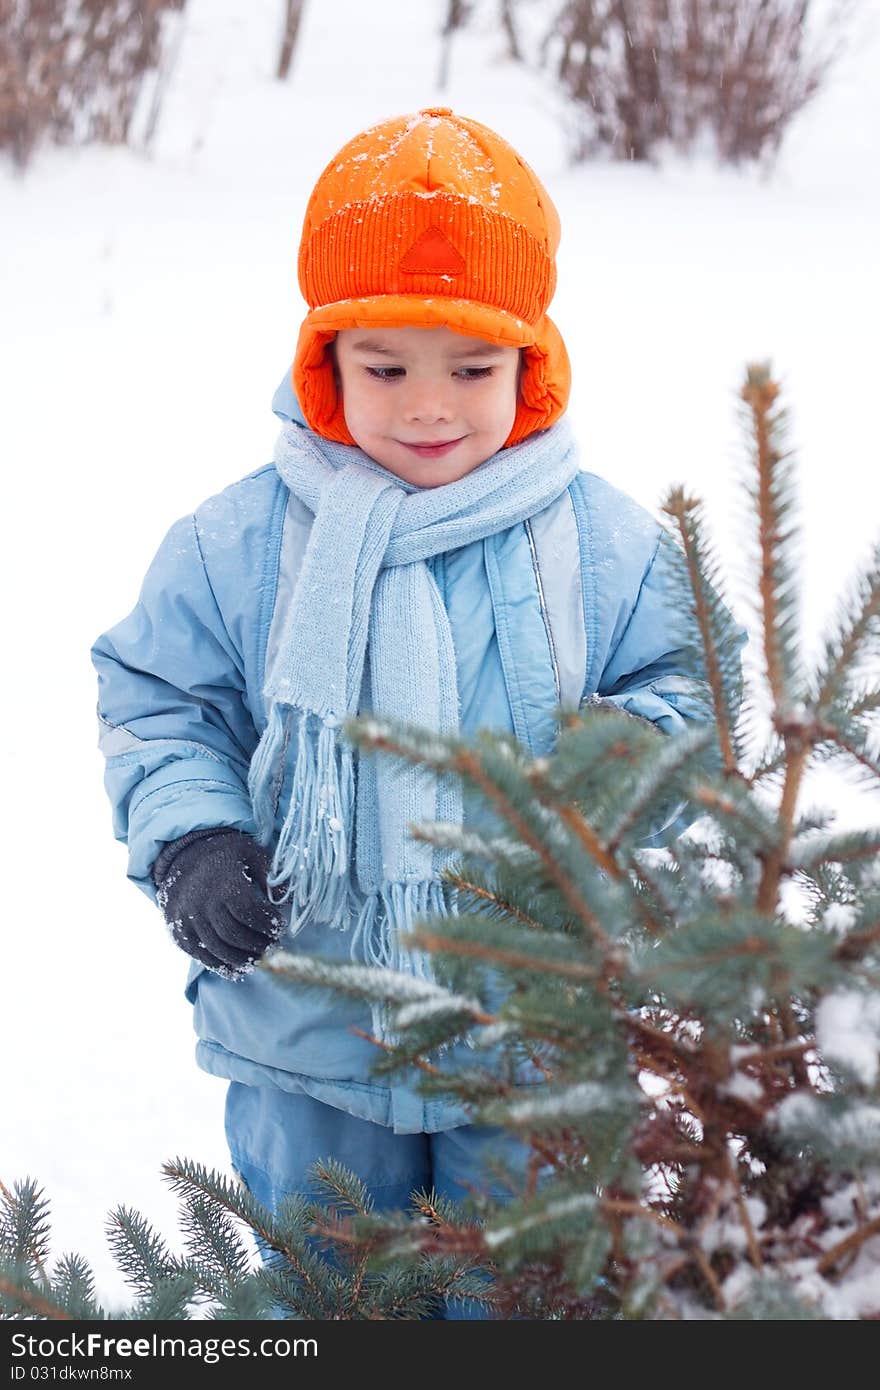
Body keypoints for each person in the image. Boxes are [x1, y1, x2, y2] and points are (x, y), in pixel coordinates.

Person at [91, 107, 748, 1318]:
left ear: (532, 364)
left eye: (472, 368)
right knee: (327, 1291)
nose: (428, 407)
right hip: (308, 1031)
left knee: (522, 1297)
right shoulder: (242, 541)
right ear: (324, 362)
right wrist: (192, 838)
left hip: (533, 1035)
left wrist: (613, 786)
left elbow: (694, 692)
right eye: (385, 367)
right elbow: (160, 698)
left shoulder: (600, 543)